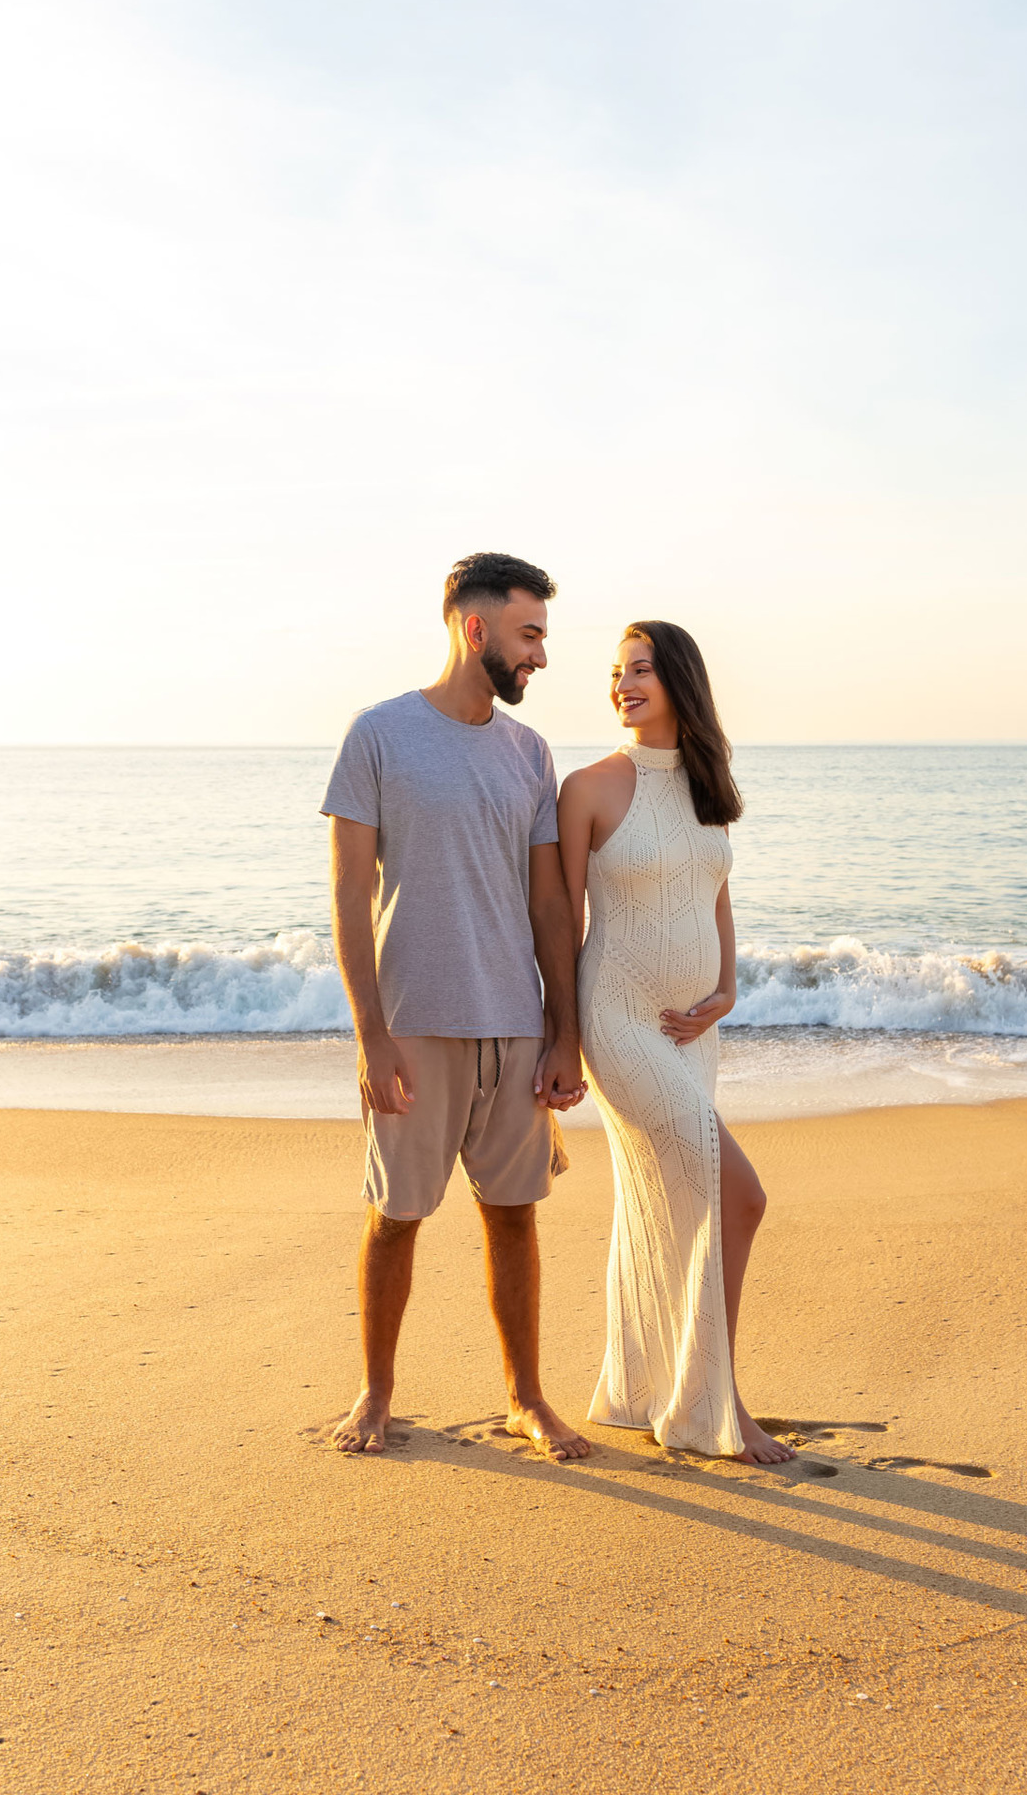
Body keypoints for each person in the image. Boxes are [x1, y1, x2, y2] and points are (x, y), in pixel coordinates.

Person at [319, 551, 590, 1461]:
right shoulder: (380, 735)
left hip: (514, 1026)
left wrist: (566, 1032)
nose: (541, 658)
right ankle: (376, 1392)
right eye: (530, 635)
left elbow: (552, 903)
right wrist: (371, 1036)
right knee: (395, 1215)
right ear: (476, 630)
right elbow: (350, 896)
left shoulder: (529, 752)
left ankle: (526, 1398)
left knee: (515, 1213)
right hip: (414, 1023)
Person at [557, 622, 795, 1466]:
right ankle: (708, 1404)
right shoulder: (588, 787)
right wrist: (559, 1038)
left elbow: (715, 893)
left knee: (685, 1201)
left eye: (641, 669)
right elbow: (562, 924)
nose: (623, 684)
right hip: (620, 1023)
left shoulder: (704, 784)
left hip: (696, 1029)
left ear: (681, 680)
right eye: (617, 672)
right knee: (742, 1196)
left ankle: (648, 1388)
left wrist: (727, 989)